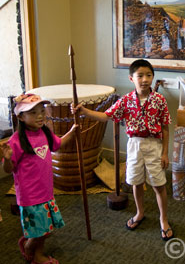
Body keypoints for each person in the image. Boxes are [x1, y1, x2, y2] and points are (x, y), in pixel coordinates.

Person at [72, 59, 173, 241]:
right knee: (136, 182)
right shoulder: (126, 101)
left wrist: (165, 152)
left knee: (159, 184)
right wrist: (85, 112)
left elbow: (165, 128)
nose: (145, 79)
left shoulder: (159, 100)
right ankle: (140, 212)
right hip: (134, 145)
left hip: (154, 145)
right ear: (131, 78)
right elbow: (105, 116)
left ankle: (163, 219)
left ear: (153, 77)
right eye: (140, 75)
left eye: (148, 75)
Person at [2, 93, 77, 264]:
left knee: (47, 229)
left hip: (46, 192)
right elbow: (9, 169)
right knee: (41, 231)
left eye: (42, 110)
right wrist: (7, 159)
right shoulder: (16, 141)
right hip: (30, 196)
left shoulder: (45, 133)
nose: (40, 115)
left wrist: (71, 133)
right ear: (21, 116)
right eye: (33, 112)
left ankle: (34, 249)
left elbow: (58, 144)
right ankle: (32, 250)